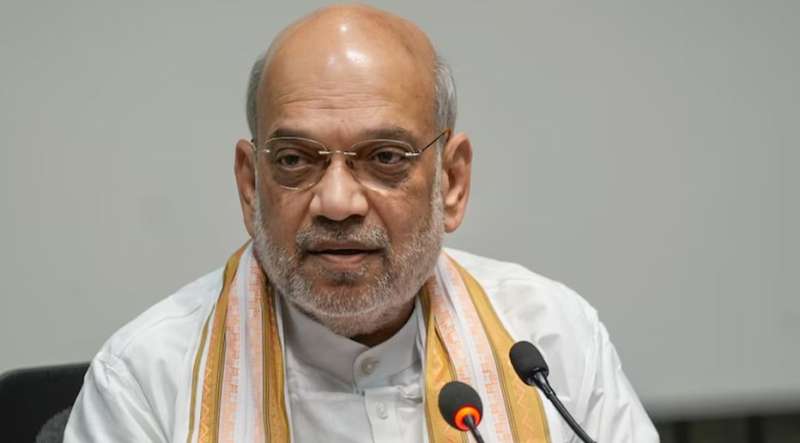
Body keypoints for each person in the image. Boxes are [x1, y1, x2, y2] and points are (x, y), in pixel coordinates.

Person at [64, 4, 658, 442]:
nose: (338, 202)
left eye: (385, 158)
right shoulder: (146, 381)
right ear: (250, 186)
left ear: (451, 182)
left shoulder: (553, 342)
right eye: (295, 160)